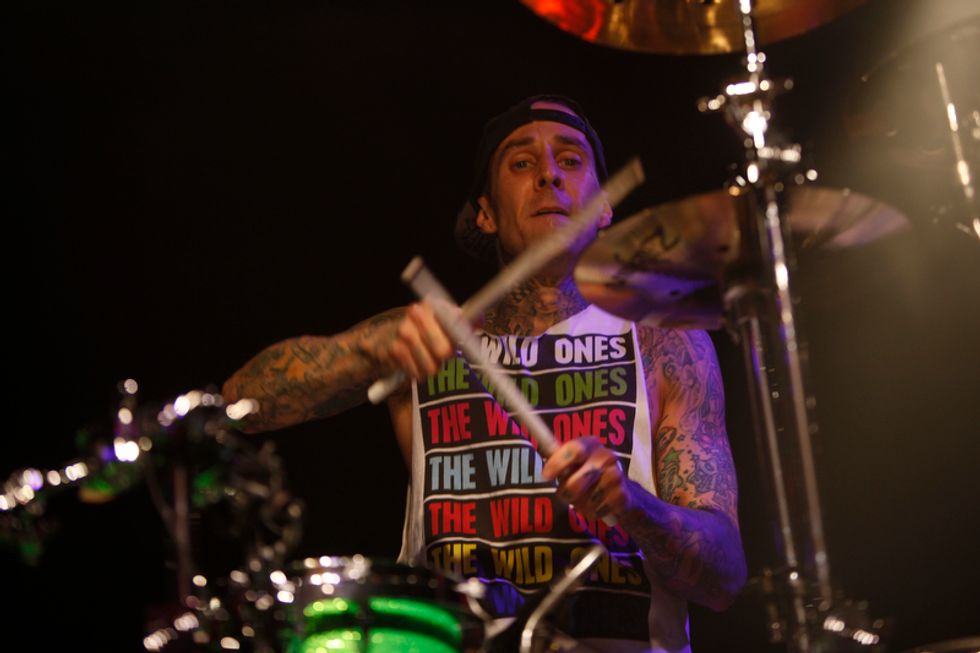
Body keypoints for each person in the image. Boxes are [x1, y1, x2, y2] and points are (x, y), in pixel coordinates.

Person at [223, 95, 746, 653]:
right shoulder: (424, 338)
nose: (549, 174)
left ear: (603, 208)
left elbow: (723, 577)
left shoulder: (664, 343)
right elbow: (239, 406)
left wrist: (634, 505)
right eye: (522, 162)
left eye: (571, 160)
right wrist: (363, 350)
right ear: (486, 213)